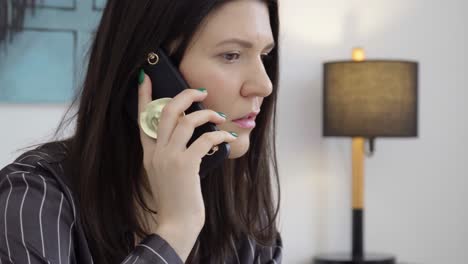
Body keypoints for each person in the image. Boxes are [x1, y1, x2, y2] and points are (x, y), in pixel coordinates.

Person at [0, 0, 282, 263]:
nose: (264, 85)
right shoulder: (31, 196)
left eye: (265, 55)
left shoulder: (246, 213)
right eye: (231, 55)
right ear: (151, 70)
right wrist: (176, 230)